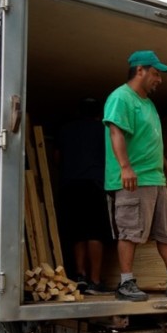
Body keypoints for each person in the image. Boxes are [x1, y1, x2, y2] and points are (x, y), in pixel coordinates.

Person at [103, 50, 167, 301]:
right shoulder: (121, 97)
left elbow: (151, 142)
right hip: (133, 180)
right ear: (140, 70)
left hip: (155, 179)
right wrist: (125, 167)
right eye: (155, 73)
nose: (159, 79)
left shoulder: (148, 104)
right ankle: (126, 283)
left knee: (166, 231)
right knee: (131, 231)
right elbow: (116, 133)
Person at [56, 98, 112, 295]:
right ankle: (95, 281)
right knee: (95, 233)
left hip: (70, 185)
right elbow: (111, 155)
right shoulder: (103, 130)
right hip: (93, 184)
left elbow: (57, 157)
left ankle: (80, 276)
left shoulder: (65, 130)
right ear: (98, 114)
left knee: (78, 233)